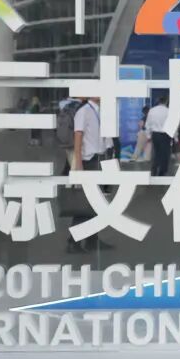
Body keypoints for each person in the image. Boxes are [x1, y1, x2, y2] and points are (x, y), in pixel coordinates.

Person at [70, 97, 114, 253]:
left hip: (100, 158)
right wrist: (78, 164)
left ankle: (92, 240)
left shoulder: (101, 111)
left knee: (96, 203)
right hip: (89, 160)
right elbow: (78, 137)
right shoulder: (84, 111)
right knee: (85, 202)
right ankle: (73, 241)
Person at [145, 94, 171, 177]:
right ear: (166, 101)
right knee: (165, 154)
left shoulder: (152, 110)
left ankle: (154, 170)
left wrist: (148, 135)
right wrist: (175, 137)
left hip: (155, 134)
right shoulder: (169, 111)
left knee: (156, 153)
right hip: (166, 135)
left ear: (158, 101)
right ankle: (162, 172)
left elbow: (148, 124)